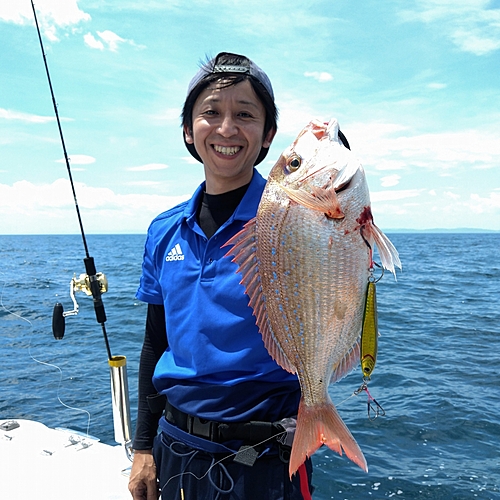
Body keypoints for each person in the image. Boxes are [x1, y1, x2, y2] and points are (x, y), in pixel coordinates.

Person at [128, 52, 314, 500]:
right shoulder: (164, 230)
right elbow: (157, 342)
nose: (227, 129)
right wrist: (142, 446)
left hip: (269, 453)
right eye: (211, 112)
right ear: (189, 131)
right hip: (176, 446)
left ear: (268, 135)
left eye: (245, 115)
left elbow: (336, 289)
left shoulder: (295, 223)